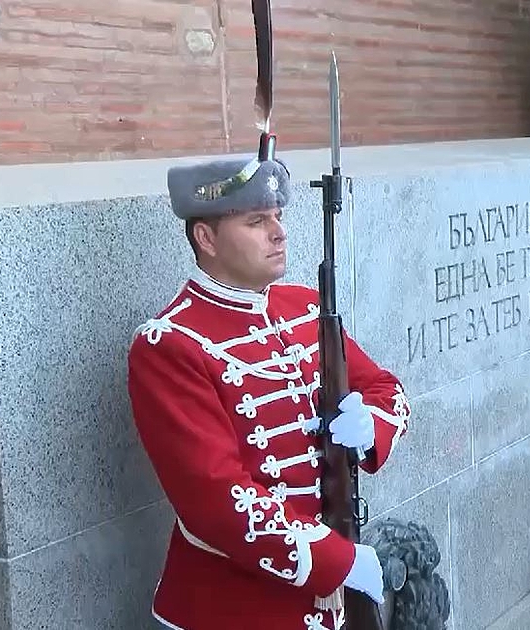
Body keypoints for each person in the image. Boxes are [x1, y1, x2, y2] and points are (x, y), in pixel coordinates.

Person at [127, 150, 412, 629]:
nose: (279, 232)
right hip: (234, 610)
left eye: (277, 217)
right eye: (257, 221)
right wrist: (340, 562)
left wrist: (373, 425)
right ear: (206, 237)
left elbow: (387, 389)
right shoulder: (170, 344)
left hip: (329, 606)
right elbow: (218, 502)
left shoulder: (303, 307)